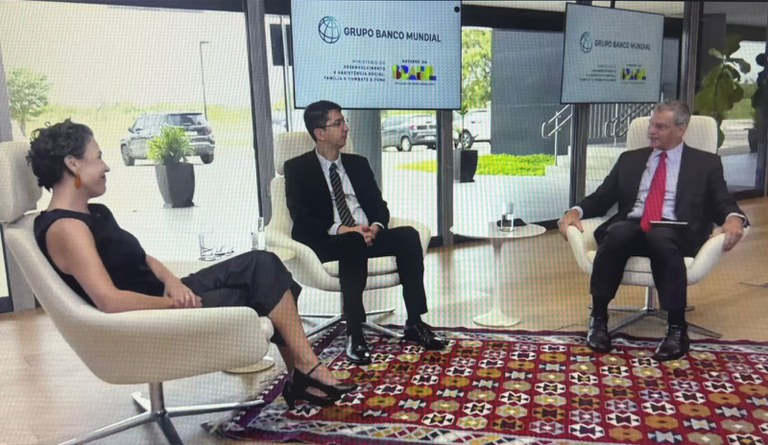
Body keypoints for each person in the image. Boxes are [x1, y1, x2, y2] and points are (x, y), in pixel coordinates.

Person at [28, 119, 355, 407]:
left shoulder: (94, 212)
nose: (106, 166)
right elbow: (109, 301)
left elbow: (143, 259)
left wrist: (173, 283)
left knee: (263, 263)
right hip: (148, 317)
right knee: (260, 290)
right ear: (73, 163)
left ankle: (304, 371)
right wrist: (172, 303)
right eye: (98, 157)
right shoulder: (66, 229)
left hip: (168, 295)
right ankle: (306, 372)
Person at [558, 100, 747, 362]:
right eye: (651, 125)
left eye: (660, 127)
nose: (652, 131)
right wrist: (574, 212)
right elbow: (602, 198)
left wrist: (734, 218)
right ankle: (598, 320)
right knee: (617, 234)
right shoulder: (630, 160)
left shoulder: (706, 163)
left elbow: (722, 201)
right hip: (634, 225)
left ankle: (677, 330)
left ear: (681, 129)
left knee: (661, 237)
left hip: (676, 230)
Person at [283, 100, 447, 365]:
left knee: (408, 236)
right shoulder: (297, 169)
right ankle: (355, 333)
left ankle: (415, 322)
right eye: (338, 123)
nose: (346, 128)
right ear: (319, 133)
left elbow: (379, 206)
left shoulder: (358, 164)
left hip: (367, 235)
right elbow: (302, 221)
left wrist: (376, 227)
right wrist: (344, 229)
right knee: (352, 241)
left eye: (344, 121)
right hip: (331, 240)